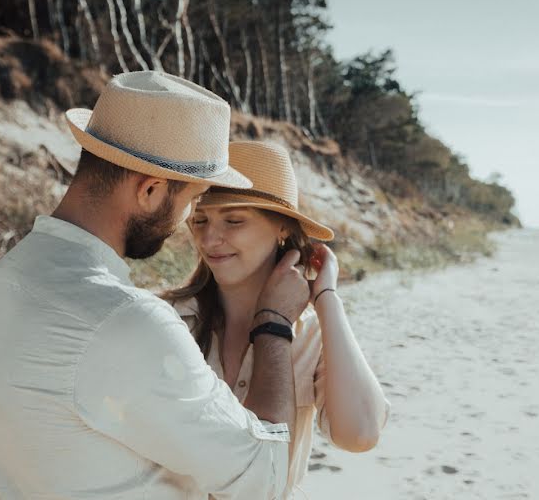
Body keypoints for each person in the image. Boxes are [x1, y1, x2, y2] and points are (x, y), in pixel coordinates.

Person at [0, 71, 303, 499]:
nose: (185, 223)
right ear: (152, 189)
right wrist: (274, 323)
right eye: (191, 200)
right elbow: (263, 477)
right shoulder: (127, 321)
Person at [162, 140, 390, 498]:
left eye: (234, 220)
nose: (209, 237)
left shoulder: (313, 334)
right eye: (200, 220)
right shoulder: (168, 319)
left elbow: (360, 434)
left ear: (283, 227)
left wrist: (327, 297)